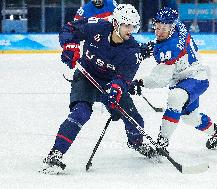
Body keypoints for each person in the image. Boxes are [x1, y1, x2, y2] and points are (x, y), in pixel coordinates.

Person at [40, 4, 156, 175]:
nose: (130, 30)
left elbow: (123, 78)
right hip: (86, 77)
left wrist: (115, 91)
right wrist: (70, 47)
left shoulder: (132, 50)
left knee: (134, 118)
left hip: (110, 83)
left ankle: (136, 142)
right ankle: (55, 153)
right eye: (126, 25)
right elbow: (69, 28)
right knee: (80, 113)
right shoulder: (96, 26)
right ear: (115, 23)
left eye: (133, 26)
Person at [132, 7, 217, 156]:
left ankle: (162, 142)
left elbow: (160, 79)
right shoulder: (178, 25)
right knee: (190, 118)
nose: (159, 32)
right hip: (187, 76)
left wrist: (139, 82)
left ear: (171, 27)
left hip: (195, 77)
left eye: (163, 29)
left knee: (175, 97)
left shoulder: (170, 48)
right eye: (157, 27)